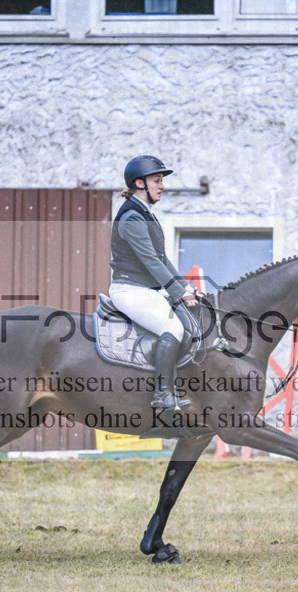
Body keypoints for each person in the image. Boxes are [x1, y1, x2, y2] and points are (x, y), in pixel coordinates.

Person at [109, 155, 198, 411]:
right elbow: (150, 261)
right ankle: (163, 395)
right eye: (157, 181)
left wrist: (183, 286)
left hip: (145, 290)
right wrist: (178, 292)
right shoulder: (133, 218)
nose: (162, 186)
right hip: (130, 290)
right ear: (139, 183)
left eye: (161, 181)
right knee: (174, 330)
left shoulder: (144, 213)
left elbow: (161, 258)